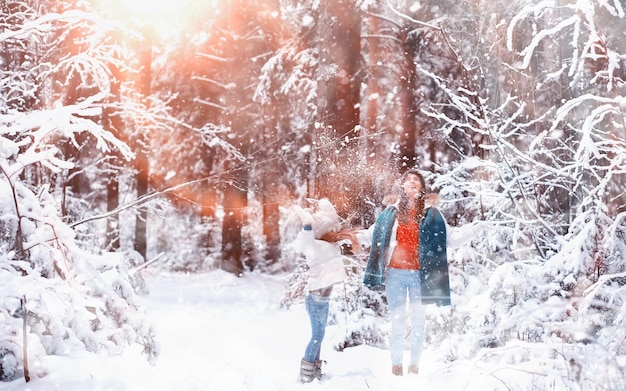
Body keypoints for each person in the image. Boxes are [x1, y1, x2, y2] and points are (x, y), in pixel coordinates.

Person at [363, 169, 450, 376]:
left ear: (421, 187)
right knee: (398, 322)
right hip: (396, 275)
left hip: (421, 275)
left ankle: (414, 366)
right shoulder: (391, 212)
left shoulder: (432, 213)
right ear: (402, 186)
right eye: (408, 180)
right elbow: (372, 235)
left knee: (418, 323)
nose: (412, 182)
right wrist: (346, 236)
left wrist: (479, 228)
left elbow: (451, 238)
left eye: (416, 180)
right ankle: (396, 366)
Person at [292, 198, 360, 383]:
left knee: (319, 335)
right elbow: (305, 240)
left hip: (323, 299)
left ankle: (314, 372)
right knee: (317, 335)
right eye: (329, 228)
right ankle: (306, 374)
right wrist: (307, 224)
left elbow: (343, 234)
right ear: (321, 231)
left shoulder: (331, 245)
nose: (334, 231)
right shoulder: (313, 246)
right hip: (315, 298)